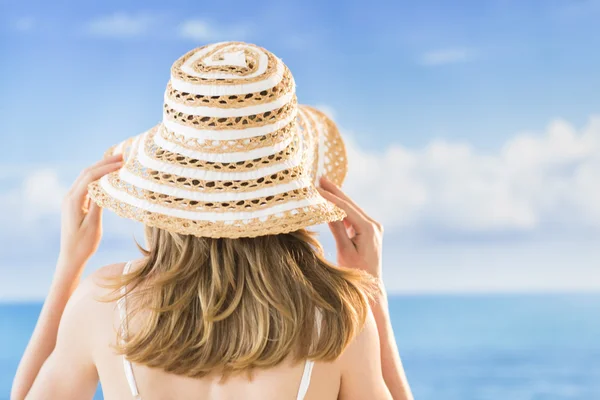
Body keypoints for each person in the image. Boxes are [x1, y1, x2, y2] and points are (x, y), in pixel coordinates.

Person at [12, 42, 413, 400]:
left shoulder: (103, 304)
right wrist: (370, 287)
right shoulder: (337, 316)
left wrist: (69, 265)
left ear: (165, 185)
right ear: (290, 187)